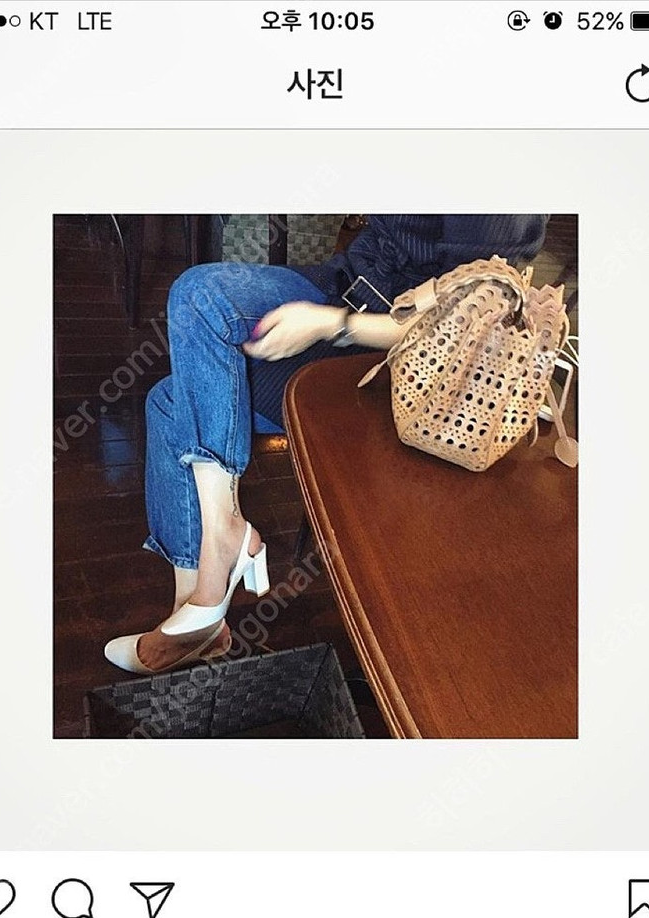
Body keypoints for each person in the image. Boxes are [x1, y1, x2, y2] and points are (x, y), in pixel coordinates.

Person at [104, 214, 548, 674]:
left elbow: (475, 314)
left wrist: (332, 324)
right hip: (349, 283)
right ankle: (198, 611)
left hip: (397, 359)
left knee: (171, 404)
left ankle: (213, 574)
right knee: (198, 295)